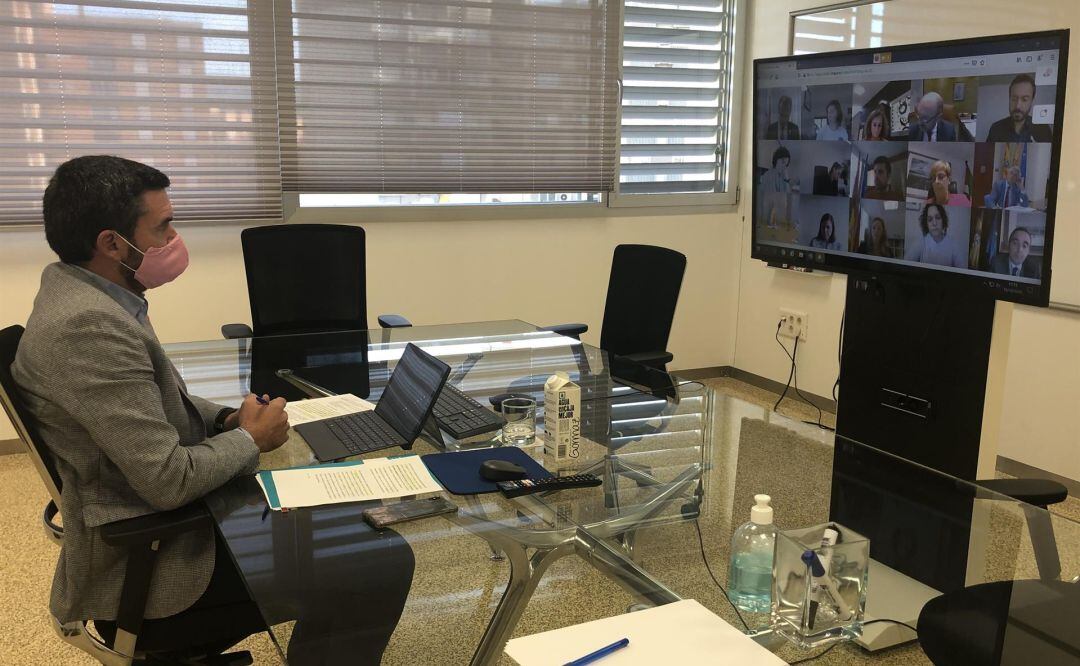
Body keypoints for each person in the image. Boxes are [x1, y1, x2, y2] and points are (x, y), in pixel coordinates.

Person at [11, 156, 413, 664]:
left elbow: (159, 398)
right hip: (158, 570)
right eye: (163, 227)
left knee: (339, 517)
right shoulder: (87, 327)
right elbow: (168, 480)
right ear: (112, 243)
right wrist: (251, 439)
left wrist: (226, 419)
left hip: (166, 524)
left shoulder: (91, 293)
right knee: (379, 560)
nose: (175, 237)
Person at [986, 74, 1053, 143]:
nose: (1017, 106)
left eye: (1024, 99)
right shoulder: (996, 129)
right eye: (1014, 99)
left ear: (1032, 101)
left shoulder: (1043, 129)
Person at [904, 203, 967, 267]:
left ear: (943, 220)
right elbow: (906, 264)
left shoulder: (953, 245)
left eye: (938, 217)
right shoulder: (921, 242)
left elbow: (962, 269)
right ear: (926, 224)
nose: (934, 223)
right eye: (930, 219)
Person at [759, 147, 795, 228]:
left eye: (786, 164)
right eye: (782, 162)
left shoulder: (782, 176)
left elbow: (787, 195)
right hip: (767, 213)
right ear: (776, 159)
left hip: (778, 216)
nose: (784, 166)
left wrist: (786, 179)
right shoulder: (768, 175)